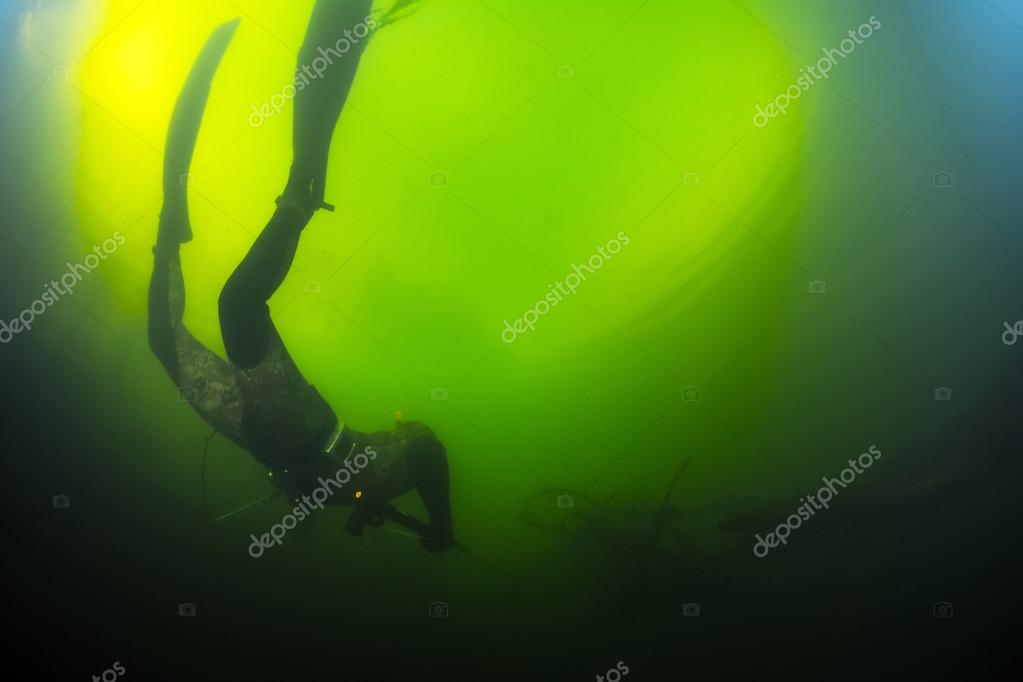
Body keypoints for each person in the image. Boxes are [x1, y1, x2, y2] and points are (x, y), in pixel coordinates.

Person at [147, 1, 454, 552]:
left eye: (404, 429)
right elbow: (429, 454)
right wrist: (443, 524)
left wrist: (320, 505)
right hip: (305, 429)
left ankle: (168, 239)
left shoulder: (370, 489)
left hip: (253, 431)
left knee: (164, 341)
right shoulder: (385, 465)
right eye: (406, 430)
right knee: (237, 308)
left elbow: (324, 495)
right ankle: (299, 196)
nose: (403, 431)